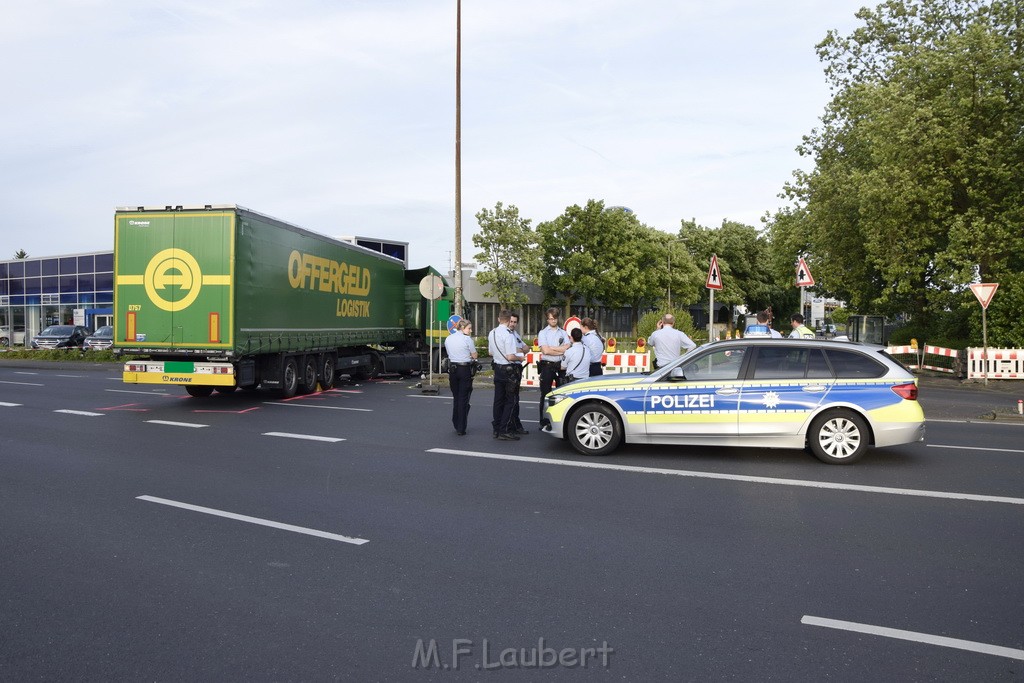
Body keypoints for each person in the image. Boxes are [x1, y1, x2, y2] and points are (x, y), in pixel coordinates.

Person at [488, 310, 525, 440]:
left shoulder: (492, 333)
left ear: (499, 319)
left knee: (498, 400)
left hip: (497, 369)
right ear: (509, 320)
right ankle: (505, 429)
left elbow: (490, 352)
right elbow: (510, 356)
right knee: (511, 400)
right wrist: (520, 358)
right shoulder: (508, 335)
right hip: (509, 370)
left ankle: (496, 428)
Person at [536, 307, 570, 429]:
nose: (553, 321)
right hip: (547, 366)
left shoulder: (563, 332)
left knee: (561, 394)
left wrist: (552, 349)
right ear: (547, 319)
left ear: (557, 318)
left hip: (560, 366)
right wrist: (560, 350)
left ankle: (559, 420)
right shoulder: (543, 333)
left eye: (554, 318)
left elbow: (568, 347)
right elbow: (545, 350)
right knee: (545, 394)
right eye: (550, 319)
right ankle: (544, 421)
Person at [443, 319, 477, 435]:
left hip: (453, 369)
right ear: (462, 328)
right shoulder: (467, 339)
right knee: (463, 398)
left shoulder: (448, 338)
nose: (471, 330)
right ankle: (461, 427)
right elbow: (474, 355)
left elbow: (449, 353)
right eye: (469, 328)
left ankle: (455, 421)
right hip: (464, 369)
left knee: (456, 397)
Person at [507, 313, 530, 435]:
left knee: (516, 398)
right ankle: (510, 425)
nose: (513, 324)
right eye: (511, 321)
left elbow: (527, 348)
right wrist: (519, 350)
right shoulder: (505, 334)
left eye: (515, 322)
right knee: (510, 399)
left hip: (517, 367)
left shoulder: (515, 334)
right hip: (510, 368)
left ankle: (515, 424)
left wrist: (518, 350)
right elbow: (510, 351)